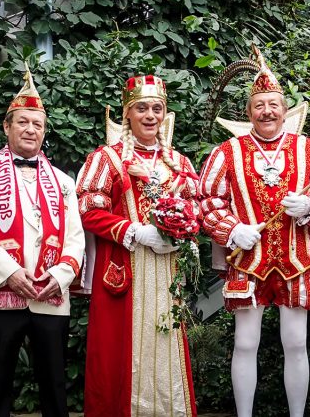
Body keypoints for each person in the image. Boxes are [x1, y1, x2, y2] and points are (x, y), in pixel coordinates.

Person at [198, 48, 310, 417]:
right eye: (259, 104)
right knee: (245, 344)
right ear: (249, 112)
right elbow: (207, 200)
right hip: (247, 261)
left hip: (297, 261)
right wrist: (232, 230)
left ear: (285, 109)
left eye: (274, 104)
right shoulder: (226, 152)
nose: (267, 111)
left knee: (296, 344)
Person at [0, 64, 85, 417]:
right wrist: (11, 274)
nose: (31, 129)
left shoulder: (63, 180)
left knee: (55, 388)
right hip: (2, 292)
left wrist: (59, 277)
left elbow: (75, 238)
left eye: (38, 124)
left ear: (45, 131)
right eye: (23, 122)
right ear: (7, 126)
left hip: (50, 296)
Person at [77, 74, 198, 417]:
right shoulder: (107, 159)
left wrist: (182, 233)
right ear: (127, 114)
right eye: (141, 108)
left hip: (167, 274)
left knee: (166, 340)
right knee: (116, 353)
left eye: (156, 108)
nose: (149, 115)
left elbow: (198, 210)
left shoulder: (180, 163)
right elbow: (89, 210)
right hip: (124, 271)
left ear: (164, 115)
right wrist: (135, 231)